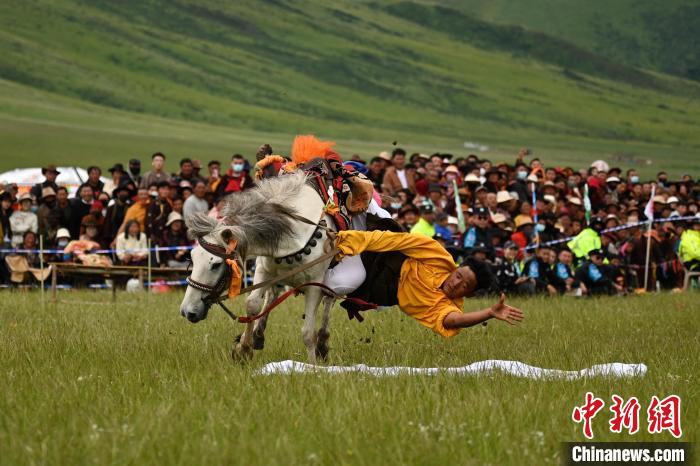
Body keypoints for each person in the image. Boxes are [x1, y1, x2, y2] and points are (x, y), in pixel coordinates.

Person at [334, 230, 523, 337]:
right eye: (458, 276)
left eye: (464, 286)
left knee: (338, 284)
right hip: (375, 251)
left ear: (471, 294)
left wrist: (489, 313)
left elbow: (453, 321)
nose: (456, 284)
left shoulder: (447, 306)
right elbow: (395, 240)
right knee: (368, 204)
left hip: (373, 288)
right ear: (456, 267)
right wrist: (346, 240)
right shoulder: (438, 256)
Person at [146, 181, 172, 246]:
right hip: (154, 234)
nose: (165, 191)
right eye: (163, 189)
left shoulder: (168, 204)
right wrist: (151, 234)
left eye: (167, 189)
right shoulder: (153, 203)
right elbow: (149, 220)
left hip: (164, 235)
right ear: (158, 191)